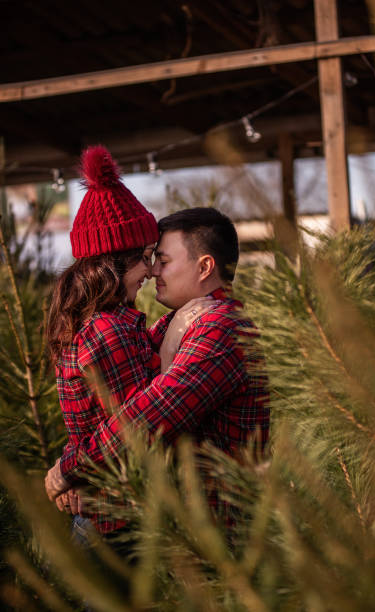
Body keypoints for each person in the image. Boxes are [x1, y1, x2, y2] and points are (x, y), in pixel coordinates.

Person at [45, 207, 270, 522]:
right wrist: (79, 475)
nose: (153, 272)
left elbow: (151, 415)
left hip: (218, 532)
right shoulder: (178, 323)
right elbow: (111, 400)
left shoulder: (222, 329)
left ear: (205, 266)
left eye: (163, 261)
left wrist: (70, 470)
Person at [46, 146, 213, 537]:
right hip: (121, 521)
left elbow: (98, 422)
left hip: (105, 510)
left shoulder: (97, 322)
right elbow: (136, 430)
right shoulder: (108, 331)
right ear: (114, 262)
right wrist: (71, 473)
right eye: (145, 257)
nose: (153, 269)